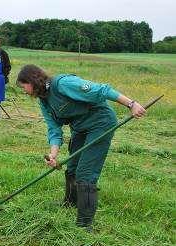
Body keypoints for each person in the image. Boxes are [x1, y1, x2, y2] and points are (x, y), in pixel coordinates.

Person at [16, 65, 146, 231]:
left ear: (33, 80)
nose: (24, 90)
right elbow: (54, 129)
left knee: (85, 172)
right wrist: (53, 155)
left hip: (100, 123)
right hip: (80, 127)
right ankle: (70, 202)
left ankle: (85, 225)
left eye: (23, 86)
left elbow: (102, 90)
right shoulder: (44, 101)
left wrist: (131, 104)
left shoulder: (63, 84)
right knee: (72, 168)